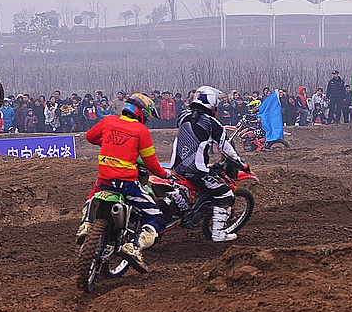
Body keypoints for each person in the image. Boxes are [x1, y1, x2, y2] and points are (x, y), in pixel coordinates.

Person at [79, 94, 169, 273]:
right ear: (142, 113)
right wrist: (164, 174)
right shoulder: (141, 130)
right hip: (126, 183)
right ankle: (134, 247)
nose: (148, 121)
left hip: (104, 180)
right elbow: (151, 163)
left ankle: (86, 225)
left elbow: (90, 137)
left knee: (92, 197)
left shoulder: (108, 121)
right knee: (157, 216)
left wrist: (108, 142)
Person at [170, 86, 249, 243]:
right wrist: (242, 164)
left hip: (176, 167)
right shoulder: (213, 124)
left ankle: (188, 211)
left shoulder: (183, 117)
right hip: (195, 171)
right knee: (226, 194)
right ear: (211, 104)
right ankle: (218, 233)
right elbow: (225, 148)